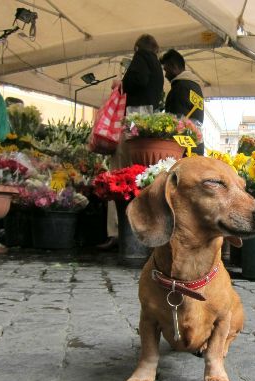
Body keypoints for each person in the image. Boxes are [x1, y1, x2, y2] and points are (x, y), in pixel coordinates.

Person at [98, 34, 164, 250]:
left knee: (119, 172)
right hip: (147, 122)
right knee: (141, 175)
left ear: (137, 47)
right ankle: (141, 226)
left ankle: (116, 231)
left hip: (132, 123)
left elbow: (138, 80)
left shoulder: (141, 57)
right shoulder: (158, 67)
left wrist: (121, 84)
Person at [160, 49, 205, 156]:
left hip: (182, 148)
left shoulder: (179, 88)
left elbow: (175, 122)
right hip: (197, 144)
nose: (166, 75)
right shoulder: (195, 86)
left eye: (166, 70)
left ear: (174, 67)